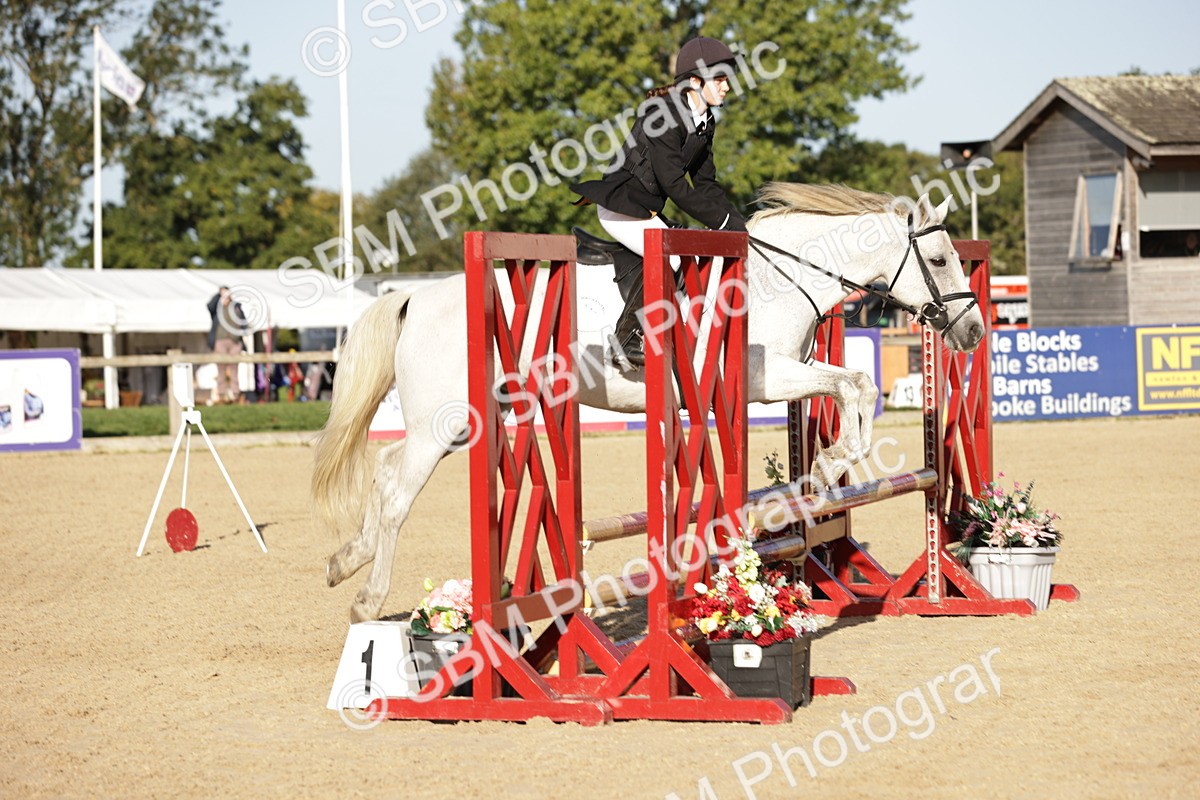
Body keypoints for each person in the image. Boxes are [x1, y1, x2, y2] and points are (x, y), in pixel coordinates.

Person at [571, 35, 748, 368]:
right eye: (720, 78)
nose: (727, 86)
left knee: (694, 256)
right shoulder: (662, 114)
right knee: (673, 258)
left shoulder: (705, 121)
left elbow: (706, 184)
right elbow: (675, 185)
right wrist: (723, 225)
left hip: (646, 211)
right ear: (695, 81)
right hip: (621, 206)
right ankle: (624, 339)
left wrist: (738, 225)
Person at [206, 286, 248, 404]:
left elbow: (244, 323)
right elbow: (209, 306)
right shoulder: (217, 308)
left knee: (234, 369)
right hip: (220, 341)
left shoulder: (236, 307)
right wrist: (219, 294)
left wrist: (242, 334)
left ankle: (235, 395)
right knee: (221, 369)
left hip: (235, 341)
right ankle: (222, 395)